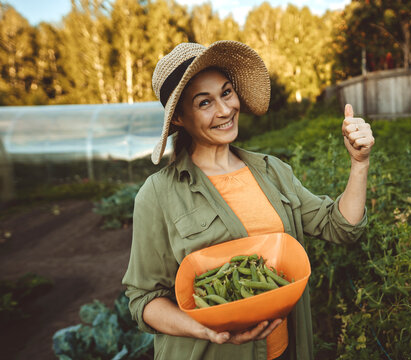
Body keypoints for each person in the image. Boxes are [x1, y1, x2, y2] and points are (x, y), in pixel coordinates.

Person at [122, 40, 374, 360]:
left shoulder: (273, 171)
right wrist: (206, 329)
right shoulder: (158, 194)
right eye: (204, 102)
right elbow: (144, 299)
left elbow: (341, 227)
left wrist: (360, 163)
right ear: (179, 119)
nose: (225, 110)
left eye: (226, 92)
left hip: (284, 351)